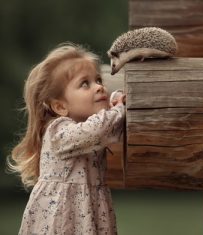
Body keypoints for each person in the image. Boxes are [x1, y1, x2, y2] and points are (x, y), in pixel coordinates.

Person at [8, 43, 126, 235]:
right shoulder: (58, 131)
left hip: (90, 211)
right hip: (62, 217)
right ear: (60, 107)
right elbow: (99, 129)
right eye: (85, 84)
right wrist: (119, 108)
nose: (99, 87)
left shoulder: (91, 126)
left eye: (98, 80)